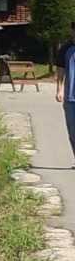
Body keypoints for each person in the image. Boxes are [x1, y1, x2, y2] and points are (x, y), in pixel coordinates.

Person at [58, 22, 75, 163]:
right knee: (73, 130)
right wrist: (59, 90)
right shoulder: (65, 49)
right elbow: (60, 72)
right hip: (70, 97)